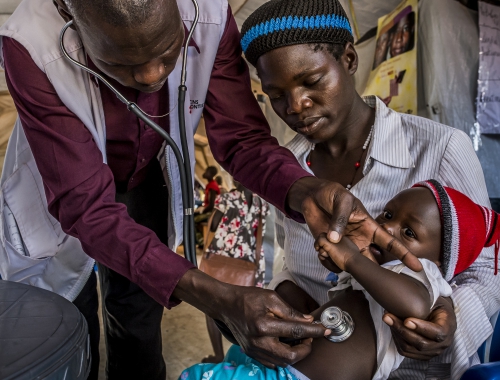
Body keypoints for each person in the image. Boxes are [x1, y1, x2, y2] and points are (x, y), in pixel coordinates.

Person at [0, 0, 423, 378]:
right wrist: (215, 296)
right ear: (68, 12)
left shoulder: (209, 13)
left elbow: (241, 139)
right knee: (69, 322)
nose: (150, 76)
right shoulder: (28, 43)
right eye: (118, 64)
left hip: (147, 181)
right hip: (63, 193)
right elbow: (85, 205)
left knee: (138, 317)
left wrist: (301, 188)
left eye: (169, 52)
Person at [239, 0, 500, 378]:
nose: (296, 106)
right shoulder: (287, 170)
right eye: (276, 94)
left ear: (348, 59)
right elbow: (290, 263)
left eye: (311, 82)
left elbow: (490, 268)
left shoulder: (440, 147)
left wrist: (452, 320)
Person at [179, 180, 500, 380]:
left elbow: (415, 304)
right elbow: (326, 308)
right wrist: (292, 289)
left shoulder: (423, 273)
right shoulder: (371, 273)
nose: (388, 230)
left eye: (409, 232)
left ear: (440, 260)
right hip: (277, 366)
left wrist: (353, 260)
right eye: (388, 216)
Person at [201, 182, 270, 363]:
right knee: (246, 310)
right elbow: (260, 230)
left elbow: (214, 224)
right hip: (250, 262)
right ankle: (244, 355)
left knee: (212, 308)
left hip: (223, 257)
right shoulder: (262, 203)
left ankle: (218, 355)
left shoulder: (227, 198)